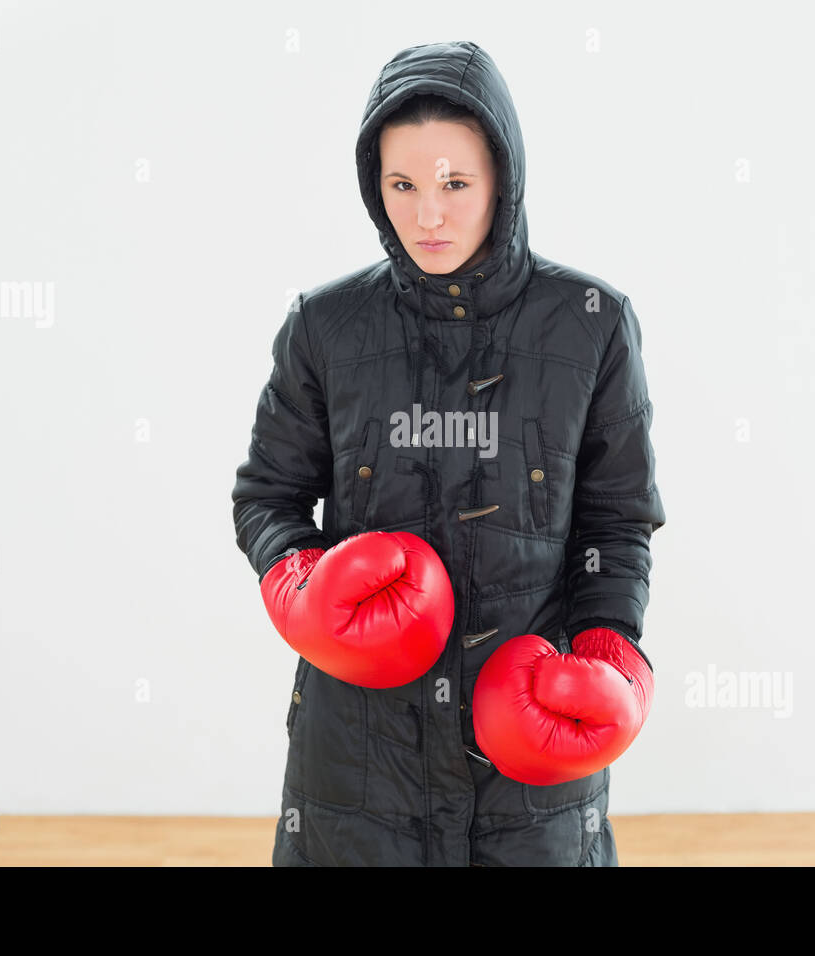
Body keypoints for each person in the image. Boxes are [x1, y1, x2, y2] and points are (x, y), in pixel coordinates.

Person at [232, 40, 666, 866]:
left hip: (530, 776)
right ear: (375, 188)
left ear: (503, 180)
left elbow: (618, 520)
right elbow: (268, 498)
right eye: (403, 186)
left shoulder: (592, 324)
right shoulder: (325, 327)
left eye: (455, 184)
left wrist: (611, 658)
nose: (428, 214)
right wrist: (300, 587)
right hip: (359, 770)